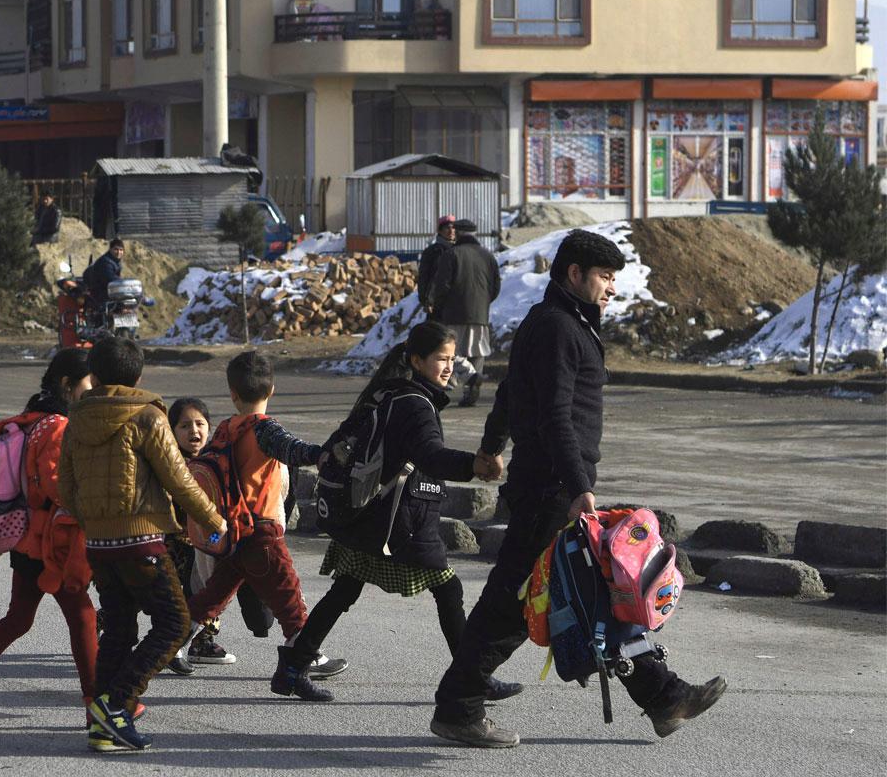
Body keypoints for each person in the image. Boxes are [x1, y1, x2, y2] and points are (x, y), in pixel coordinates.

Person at [431, 229, 727, 748]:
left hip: (552, 482)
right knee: (516, 603)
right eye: (605, 277)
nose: (612, 288)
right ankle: (458, 707)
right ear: (575, 275)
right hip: (550, 486)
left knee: (595, 594)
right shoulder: (558, 329)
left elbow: (509, 391)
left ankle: (663, 697)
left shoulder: (556, 324)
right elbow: (555, 415)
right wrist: (577, 485)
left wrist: (491, 445)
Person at [277, 322, 517, 702]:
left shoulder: (386, 393)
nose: (449, 367)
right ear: (417, 360)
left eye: (453, 359)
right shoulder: (416, 405)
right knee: (448, 588)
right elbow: (431, 457)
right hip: (398, 521)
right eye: (442, 358)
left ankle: (292, 668)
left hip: (370, 514)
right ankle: (473, 676)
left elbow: (340, 439)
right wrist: (475, 465)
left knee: (345, 589)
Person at [58, 335, 226, 753]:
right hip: (142, 542)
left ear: (94, 376)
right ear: (138, 376)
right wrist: (215, 520)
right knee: (172, 624)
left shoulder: (76, 418)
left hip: (99, 543)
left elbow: (66, 486)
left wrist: (94, 522)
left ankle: (100, 721)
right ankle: (117, 706)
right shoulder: (148, 416)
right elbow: (179, 479)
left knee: (118, 629)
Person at [0, 348, 107, 731]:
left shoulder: (31, 418)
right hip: (50, 544)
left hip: (27, 542)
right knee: (83, 617)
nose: (93, 393)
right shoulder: (59, 426)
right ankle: (99, 706)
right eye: (88, 385)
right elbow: (57, 486)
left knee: (19, 619)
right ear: (68, 385)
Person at [184, 352, 338, 703]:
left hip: (232, 531)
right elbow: (291, 449)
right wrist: (323, 454)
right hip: (263, 533)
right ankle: (294, 671)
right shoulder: (264, 430)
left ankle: (163, 648)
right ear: (273, 389)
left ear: (233, 393)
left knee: (212, 597)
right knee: (292, 606)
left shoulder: (226, 429)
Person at [164, 397, 275, 672]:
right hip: (174, 542)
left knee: (260, 615)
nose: (194, 431)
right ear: (172, 430)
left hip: (216, 539)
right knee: (199, 583)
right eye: (185, 425)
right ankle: (159, 641)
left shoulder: (218, 458)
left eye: (200, 424)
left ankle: (197, 642)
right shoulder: (167, 464)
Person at [429, 223, 501, 407]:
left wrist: (438, 308)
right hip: (481, 314)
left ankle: (470, 377)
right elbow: (496, 287)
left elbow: (442, 286)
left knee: (451, 351)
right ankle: (471, 391)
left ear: (459, 234)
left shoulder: (452, 254)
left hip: (454, 313)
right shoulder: (488, 256)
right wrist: (483, 302)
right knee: (477, 352)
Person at [417, 215, 457, 313]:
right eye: (447, 228)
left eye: (453, 228)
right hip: (437, 303)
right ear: (440, 231)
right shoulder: (432, 252)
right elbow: (424, 278)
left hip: (456, 303)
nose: (451, 231)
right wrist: (427, 301)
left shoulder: (459, 250)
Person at [84, 239, 124, 307]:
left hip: (108, 290)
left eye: (121, 250)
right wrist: (124, 283)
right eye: (116, 249)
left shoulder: (115, 262)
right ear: (110, 249)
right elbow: (110, 278)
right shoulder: (106, 262)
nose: (118, 252)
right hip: (99, 292)